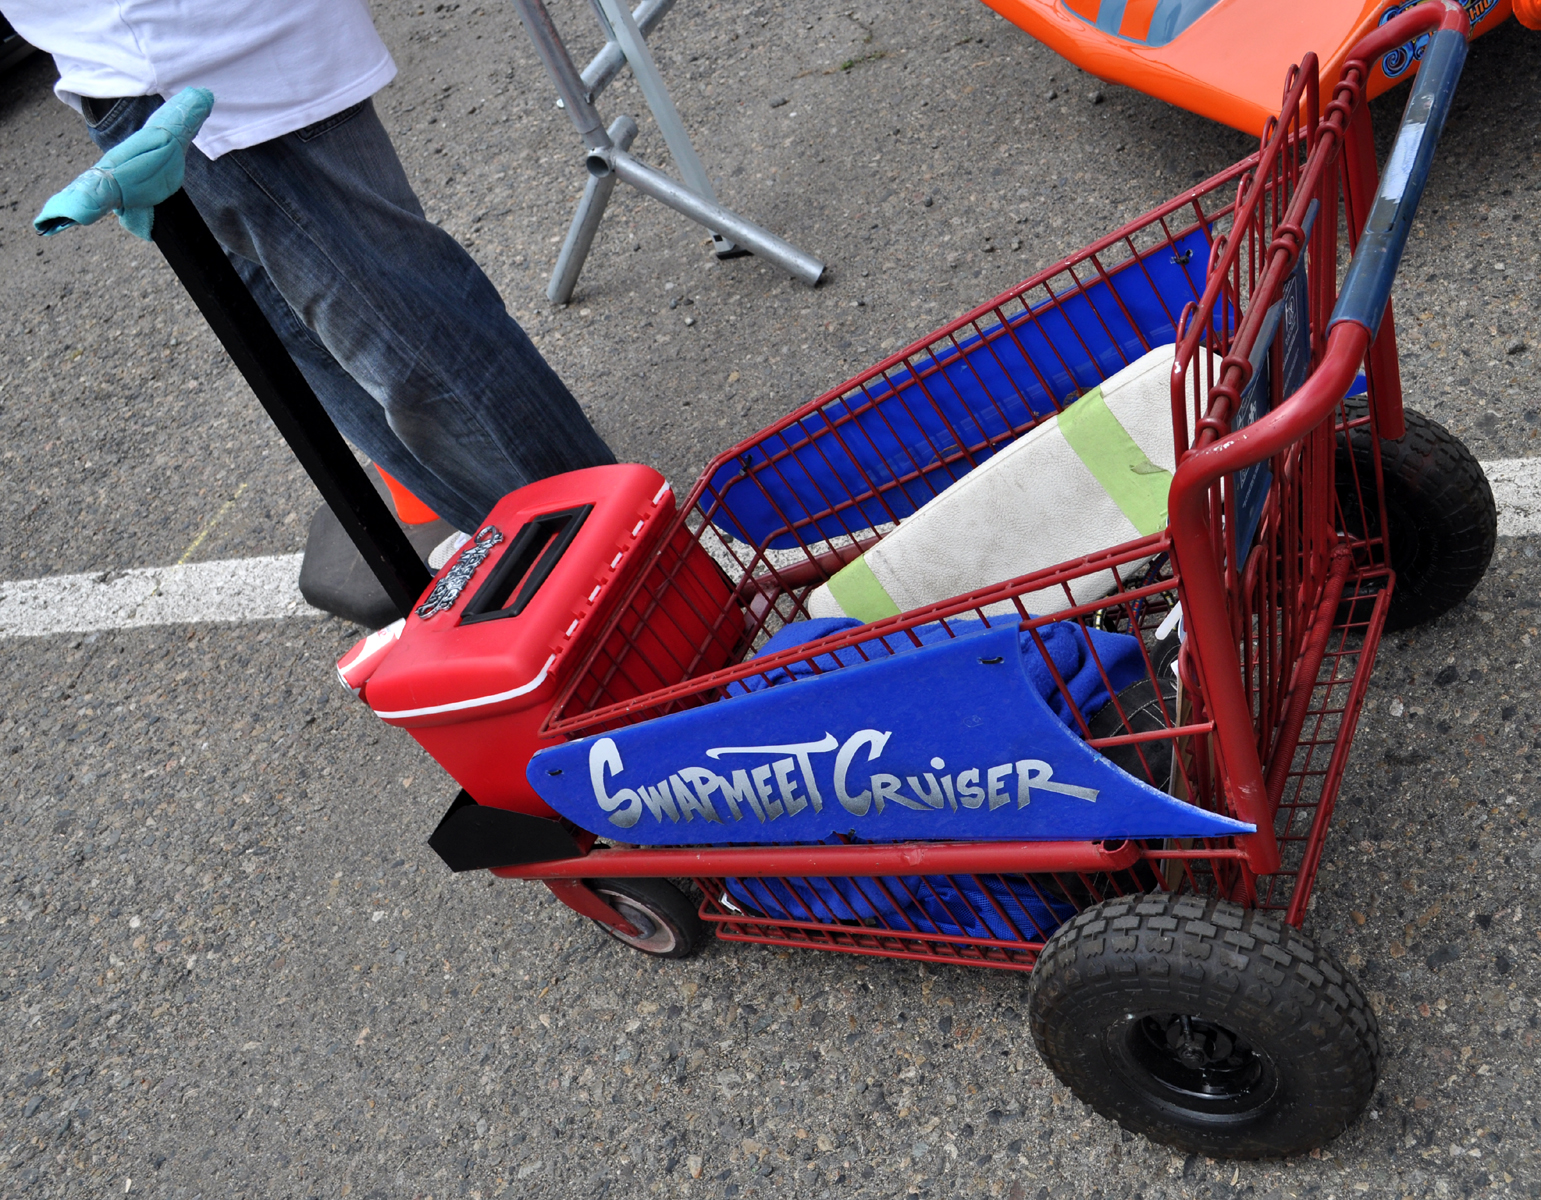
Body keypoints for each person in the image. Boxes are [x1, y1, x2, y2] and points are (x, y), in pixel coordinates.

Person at [2, 0, 617, 537]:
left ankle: (624, 571)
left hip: (203, 65)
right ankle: (543, 573)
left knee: (415, 345)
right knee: (332, 346)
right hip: (133, 67)